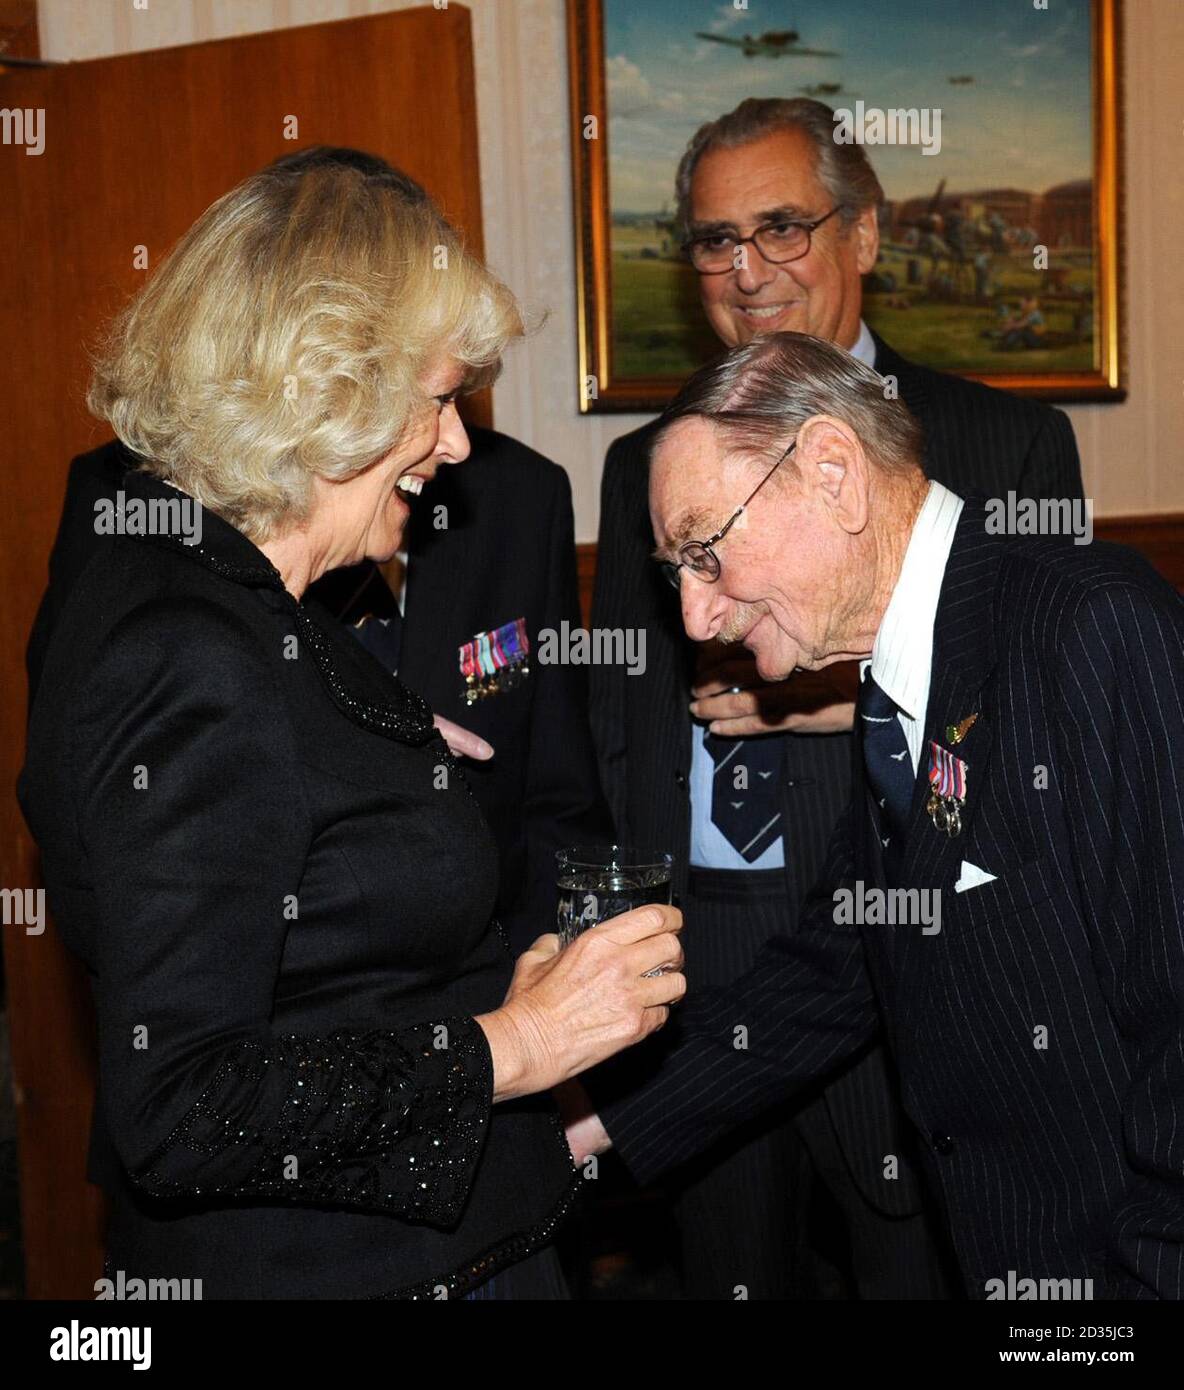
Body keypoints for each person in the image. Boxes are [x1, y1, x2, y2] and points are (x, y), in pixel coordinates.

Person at [18, 154, 683, 1299]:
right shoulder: (192, 645)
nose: (458, 443)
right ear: (326, 389)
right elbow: (183, 1108)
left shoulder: (230, 590)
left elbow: (317, 954)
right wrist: (521, 1041)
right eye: (435, 399)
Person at [587, 96, 1082, 1300]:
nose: (744, 270)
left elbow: (1044, 718)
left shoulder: (1000, 443)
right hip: (693, 974)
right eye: (712, 239)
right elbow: (621, 713)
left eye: (780, 228)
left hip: (888, 953)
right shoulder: (644, 464)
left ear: (860, 235)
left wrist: (847, 697)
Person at [574, 330, 1184, 1301]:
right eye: (672, 574)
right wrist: (586, 1122)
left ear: (831, 472)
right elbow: (836, 968)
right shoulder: (894, 689)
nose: (693, 618)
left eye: (704, 552)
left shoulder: (1091, 630)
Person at [28, 147, 613, 964]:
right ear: (332, 372)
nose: (455, 440)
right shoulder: (139, 532)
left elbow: (557, 800)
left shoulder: (515, 495)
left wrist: (549, 1023)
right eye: (438, 394)